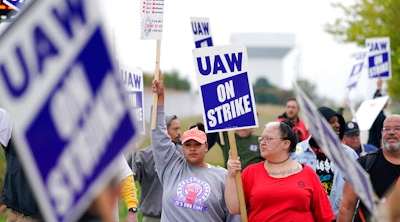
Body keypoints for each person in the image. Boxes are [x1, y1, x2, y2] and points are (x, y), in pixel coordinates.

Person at [0, 107, 138, 222]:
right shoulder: (14, 123)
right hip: (19, 216)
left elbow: (124, 173)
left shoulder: (81, 133)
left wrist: (132, 209)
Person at [150, 70, 240, 222]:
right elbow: (158, 134)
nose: (192, 148)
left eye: (197, 144)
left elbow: (235, 215)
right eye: (188, 144)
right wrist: (160, 97)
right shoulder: (171, 166)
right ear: (182, 147)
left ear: (206, 146)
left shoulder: (223, 176)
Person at [225, 120, 335, 222]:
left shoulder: (308, 174)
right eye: (261, 139)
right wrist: (230, 176)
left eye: (268, 139)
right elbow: (234, 208)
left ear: (285, 144)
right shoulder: (251, 172)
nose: (262, 142)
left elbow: (325, 216)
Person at [291, 106, 359, 218]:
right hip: (303, 216)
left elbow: (358, 189)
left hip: (336, 217)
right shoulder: (296, 152)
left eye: (338, 122)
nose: (337, 125)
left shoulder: (349, 155)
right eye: (331, 122)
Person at [338, 114, 400, 222]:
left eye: (397, 128)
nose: (391, 132)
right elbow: (347, 206)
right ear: (382, 133)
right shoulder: (364, 164)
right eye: (387, 129)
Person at [134, 114, 182, 222]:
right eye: (175, 129)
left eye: (179, 128)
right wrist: (130, 152)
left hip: (178, 216)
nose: (179, 132)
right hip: (153, 218)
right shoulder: (144, 155)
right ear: (163, 130)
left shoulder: (183, 153)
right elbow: (131, 176)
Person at [368, 77, 388, 148]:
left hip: (371, 144)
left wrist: (378, 88)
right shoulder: (380, 116)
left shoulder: (374, 113)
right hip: (376, 147)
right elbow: (380, 135)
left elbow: (375, 99)